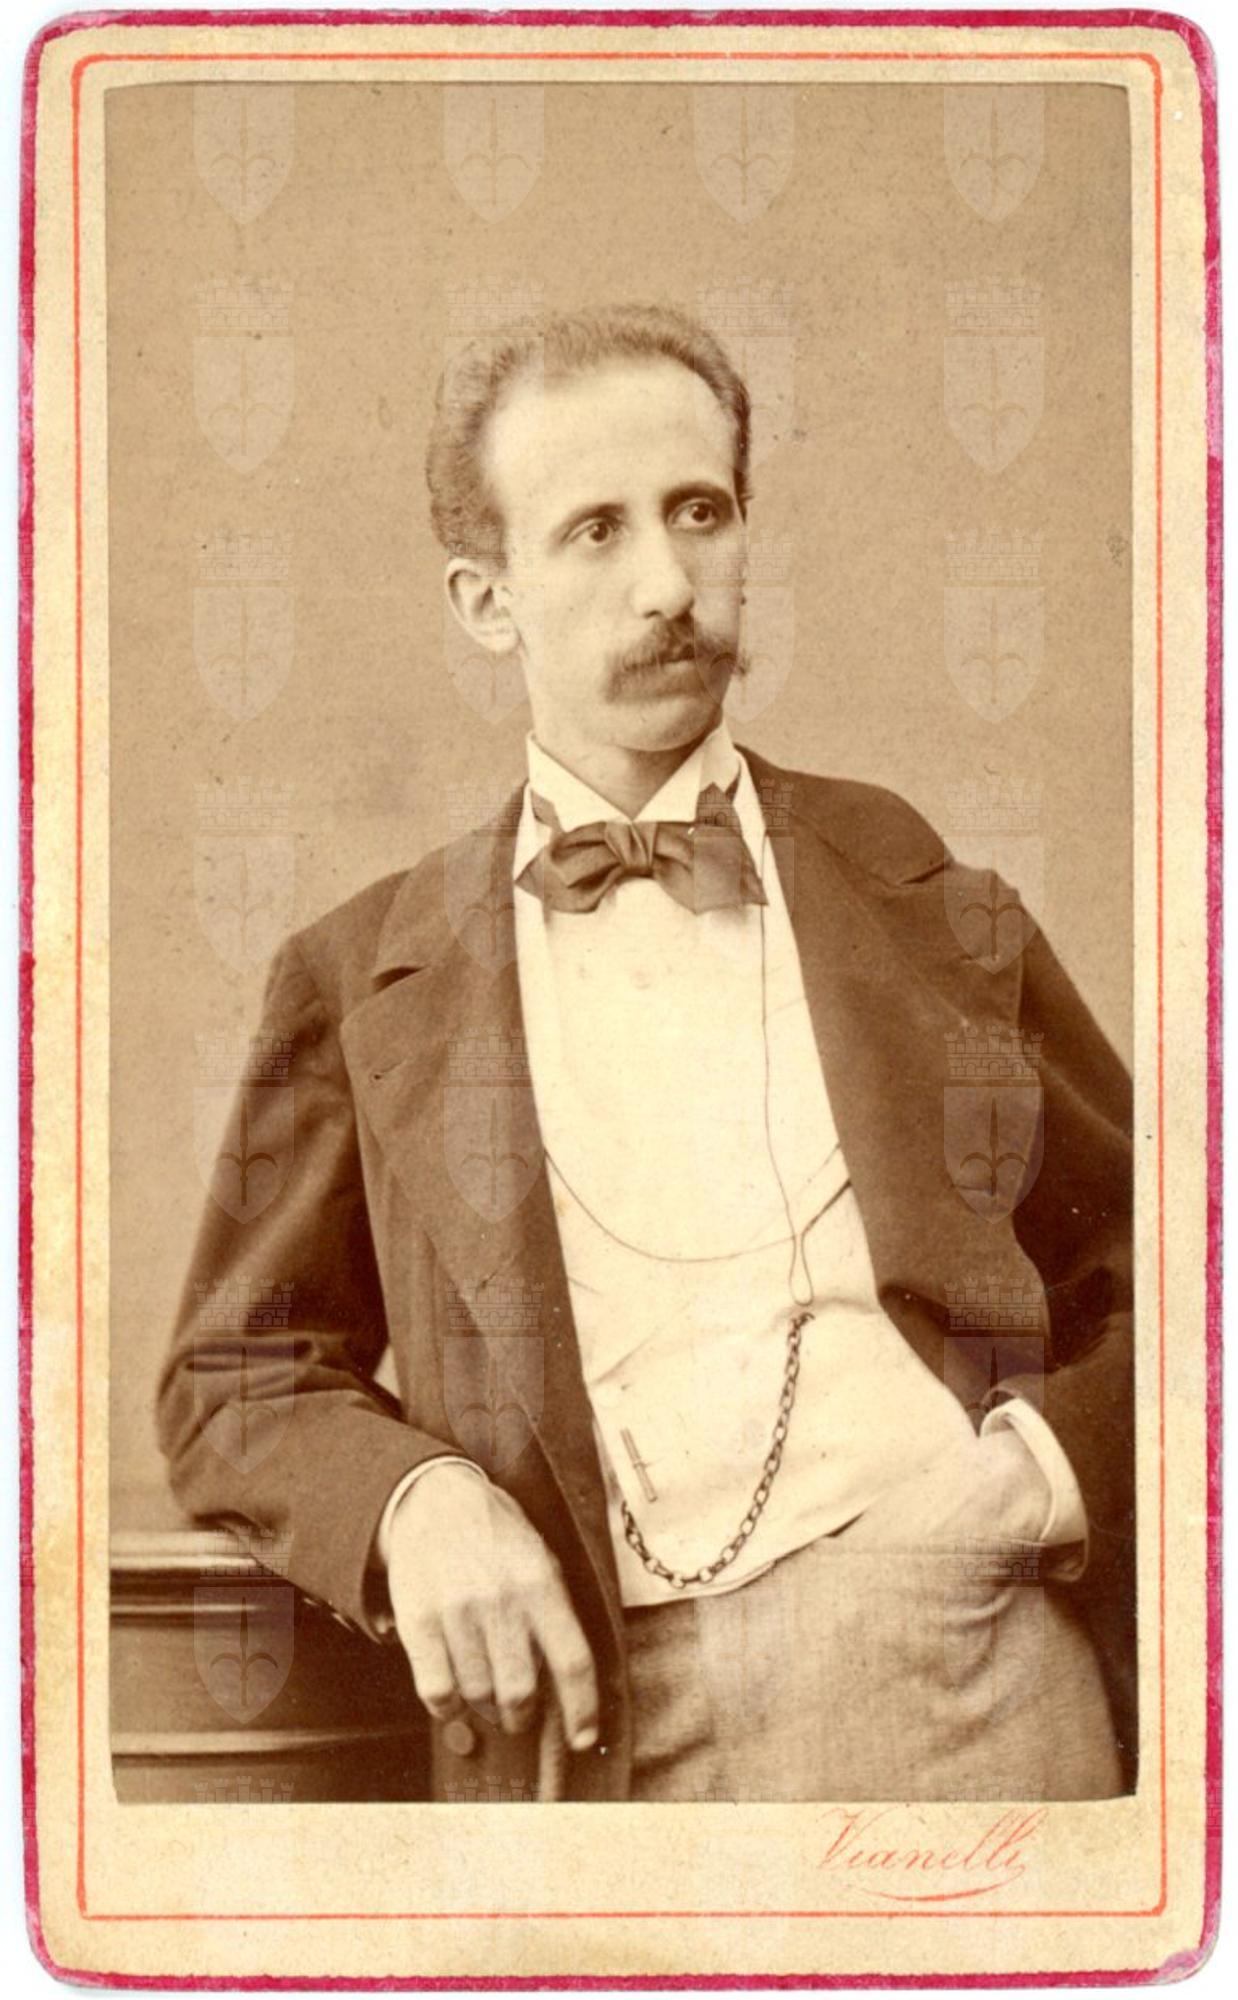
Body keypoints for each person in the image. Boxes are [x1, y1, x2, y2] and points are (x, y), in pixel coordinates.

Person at [159, 303, 1135, 1804]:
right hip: (583, 1729)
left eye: (700, 512)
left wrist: (1031, 1483)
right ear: (487, 602)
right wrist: (417, 1500)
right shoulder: (365, 976)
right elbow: (233, 1374)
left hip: (962, 1674)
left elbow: (1177, 1268)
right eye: (594, 532)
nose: (669, 585)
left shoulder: (922, 897)